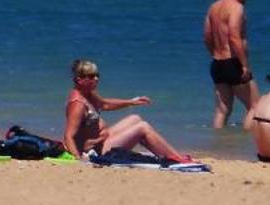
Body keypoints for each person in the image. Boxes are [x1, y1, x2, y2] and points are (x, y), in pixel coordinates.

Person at [63, 58, 191, 163]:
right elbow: (69, 135)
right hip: (97, 151)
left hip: (103, 141)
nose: (96, 79)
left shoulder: (88, 93)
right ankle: (176, 159)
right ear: (79, 80)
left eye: (97, 75)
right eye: (91, 76)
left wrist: (132, 102)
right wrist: (78, 159)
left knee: (135, 118)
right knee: (143, 127)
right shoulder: (78, 104)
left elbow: (105, 104)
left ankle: (171, 154)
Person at [203, 0, 255, 128]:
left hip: (217, 63)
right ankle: (248, 145)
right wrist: (244, 65)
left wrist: (215, 54)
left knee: (222, 110)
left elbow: (207, 37)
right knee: (255, 106)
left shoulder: (213, 7)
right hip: (233, 63)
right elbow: (234, 36)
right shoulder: (236, 7)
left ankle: (218, 145)